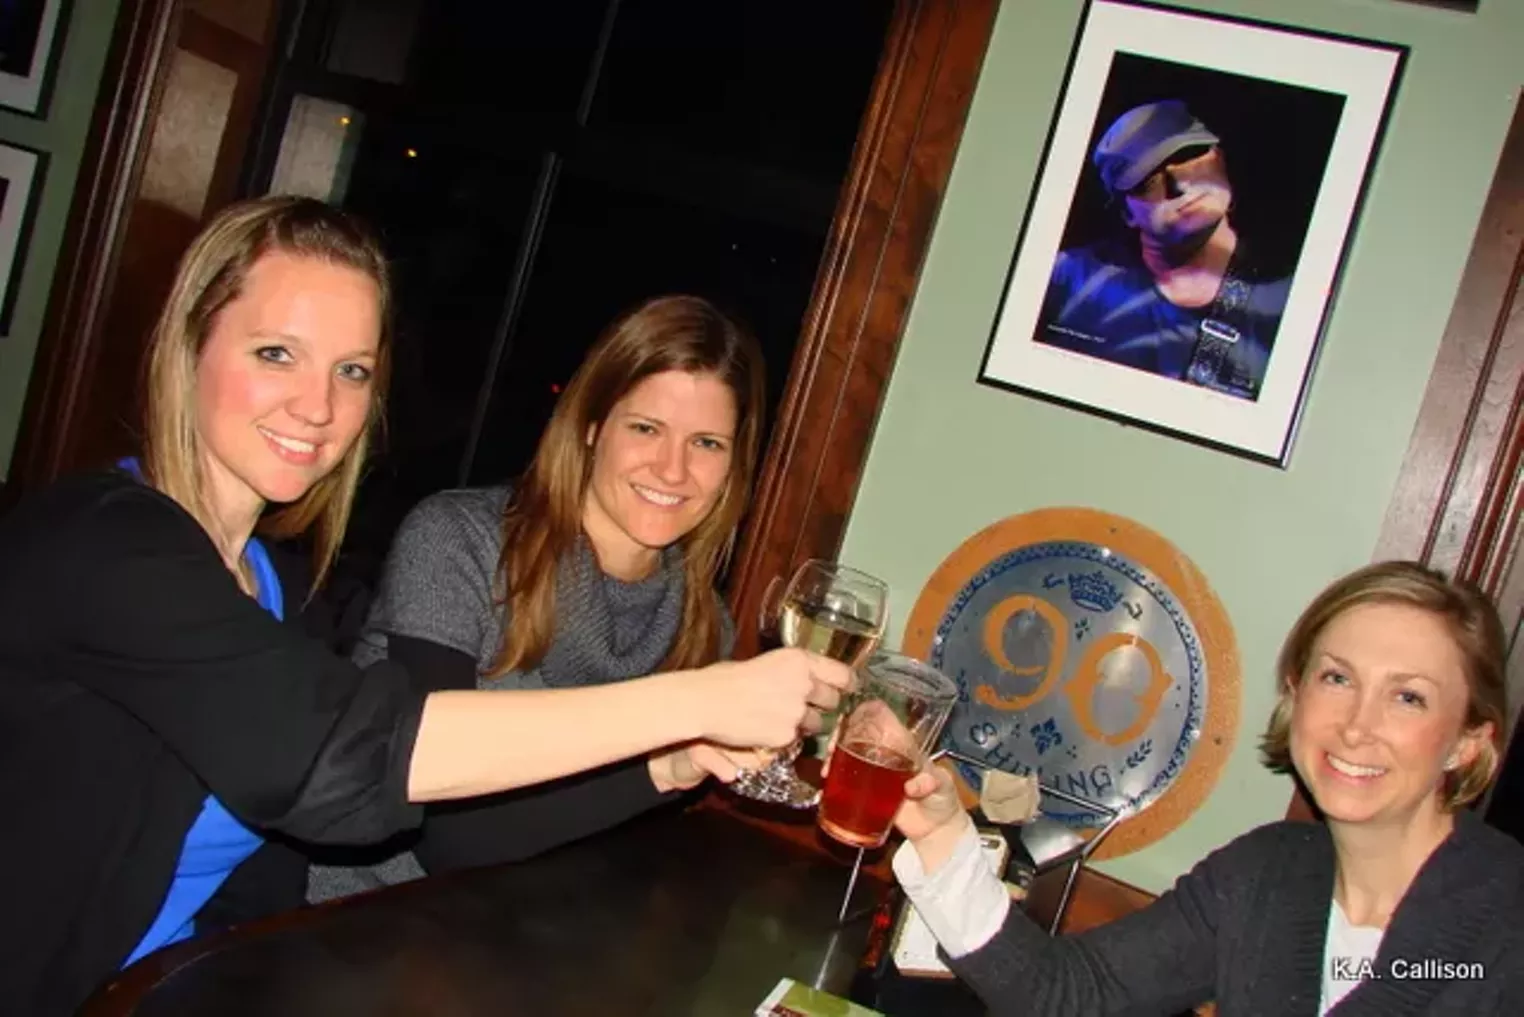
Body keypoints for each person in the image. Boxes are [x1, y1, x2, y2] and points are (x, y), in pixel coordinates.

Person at [0, 197, 850, 1017]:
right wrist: (692, 705)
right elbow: (342, 765)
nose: (318, 406)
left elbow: (273, 860)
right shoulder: (101, 545)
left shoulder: (274, 584)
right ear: (188, 347)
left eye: (352, 371)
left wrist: (690, 749)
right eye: (276, 353)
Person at [886, 561, 1524, 1015]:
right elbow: (1069, 994)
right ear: (1296, 694)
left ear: (1468, 741)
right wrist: (941, 832)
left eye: (1408, 697)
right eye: (1337, 678)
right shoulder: (1267, 874)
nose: (1357, 726)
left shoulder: (1506, 921)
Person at [307, 294, 774, 898]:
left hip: (540, 930)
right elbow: (444, 834)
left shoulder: (704, 624)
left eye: (707, 443)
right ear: (592, 427)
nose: (673, 469)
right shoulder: (459, 543)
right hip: (364, 917)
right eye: (646, 429)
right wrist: (663, 767)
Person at [1036, 99, 1290, 401]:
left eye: (1189, 157)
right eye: (1148, 182)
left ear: (1220, 158)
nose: (1179, 184)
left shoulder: (1290, 296)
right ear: (1127, 213)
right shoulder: (1065, 278)